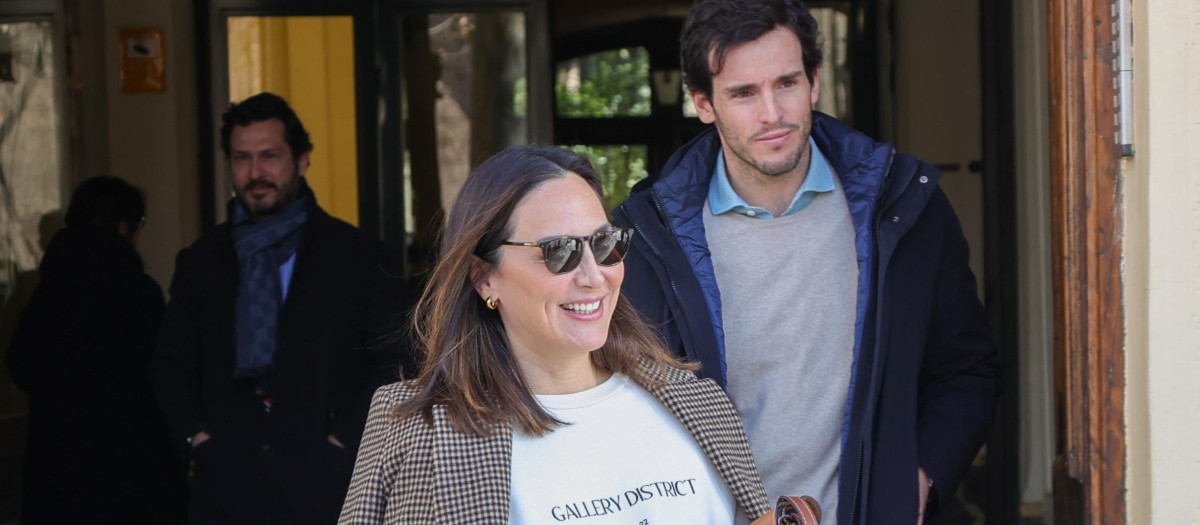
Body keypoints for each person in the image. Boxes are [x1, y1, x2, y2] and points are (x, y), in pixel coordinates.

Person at [613, 1, 1002, 524]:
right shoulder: (652, 236)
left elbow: (966, 368)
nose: (772, 113)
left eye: (787, 84)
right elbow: (619, 403)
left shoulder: (905, 207)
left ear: (814, 82)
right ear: (703, 103)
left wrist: (921, 475)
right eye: (744, 93)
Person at [338, 146, 771, 524]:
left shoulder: (700, 403)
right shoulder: (421, 431)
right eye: (558, 251)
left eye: (605, 243)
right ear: (483, 277)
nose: (593, 277)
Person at [153, 92, 412, 525]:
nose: (255, 173)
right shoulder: (201, 260)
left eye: (270, 156)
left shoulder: (360, 257)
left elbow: (399, 362)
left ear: (303, 160)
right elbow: (169, 364)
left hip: (331, 488)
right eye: (241, 158)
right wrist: (199, 438)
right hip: (227, 490)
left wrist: (342, 440)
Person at [7, 176, 186, 524]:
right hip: (130, 474)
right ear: (123, 226)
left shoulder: (48, 292)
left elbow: (20, 364)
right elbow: (161, 378)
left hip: (57, 471)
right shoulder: (136, 292)